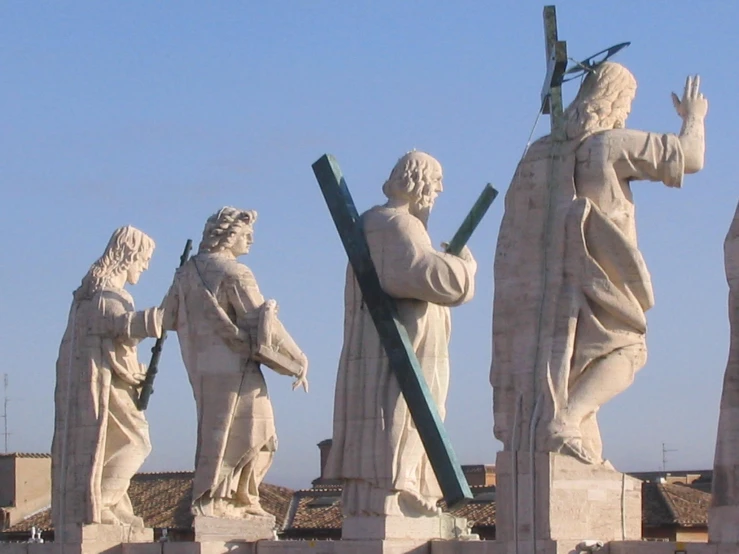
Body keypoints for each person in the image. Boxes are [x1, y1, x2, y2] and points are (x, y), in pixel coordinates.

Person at [492, 63, 708, 465]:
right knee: (628, 349)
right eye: (626, 102)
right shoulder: (608, 144)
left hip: (540, 290)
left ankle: (564, 425)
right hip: (596, 273)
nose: (627, 113)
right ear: (614, 100)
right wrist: (694, 117)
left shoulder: (537, 155)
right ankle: (566, 422)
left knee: (568, 368)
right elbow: (690, 158)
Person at [325, 151, 477, 517]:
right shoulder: (396, 224)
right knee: (405, 407)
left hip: (390, 339)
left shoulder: (377, 223)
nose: (439, 190)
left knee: (400, 408)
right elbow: (423, 275)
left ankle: (401, 482)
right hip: (406, 341)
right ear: (420, 181)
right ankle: (401, 482)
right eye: (436, 181)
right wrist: (464, 266)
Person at [162, 207, 307, 519]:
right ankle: (239, 499)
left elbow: (165, 317)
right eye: (246, 234)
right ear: (228, 236)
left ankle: (220, 498)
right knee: (261, 431)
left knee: (217, 432)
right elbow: (259, 321)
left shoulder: (186, 274)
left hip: (201, 370)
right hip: (237, 370)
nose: (251, 241)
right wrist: (299, 357)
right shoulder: (236, 273)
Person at [52, 226, 162, 530]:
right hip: (101, 383)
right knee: (136, 442)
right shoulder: (106, 294)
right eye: (144, 259)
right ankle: (102, 501)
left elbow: (116, 344)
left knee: (116, 445)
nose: (146, 266)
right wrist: (159, 318)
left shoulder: (92, 294)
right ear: (128, 256)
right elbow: (119, 325)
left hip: (110, 379)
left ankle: (112, 502)